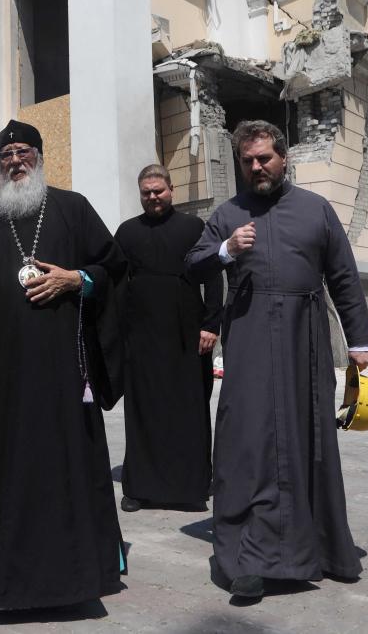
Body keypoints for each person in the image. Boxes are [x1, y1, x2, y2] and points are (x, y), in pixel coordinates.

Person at [186, 119, 368, 601]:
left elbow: (344, 277)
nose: (256, 167)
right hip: (248, 336)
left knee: (307, 434)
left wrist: (360, 340)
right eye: (247, 161)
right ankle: (246, 558)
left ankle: (326, 550)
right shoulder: (228, 214)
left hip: (304, 336)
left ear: (283, 157)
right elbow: (192, 264)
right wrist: (227, 250)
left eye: (264, 158)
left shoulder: (316, 210)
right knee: (247, 439)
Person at [0, 119, 127, 612]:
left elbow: (114, 267)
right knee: (5, 475)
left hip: (63, 375)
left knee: (65, 466)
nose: (14, 161)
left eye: (23, 152)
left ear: (40, 156)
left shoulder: (73, 208)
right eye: (5, 156)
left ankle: (76, 577)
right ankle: (10, 582)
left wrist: (78, 279)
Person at [114, 164, 222, 513]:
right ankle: (140, 487)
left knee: (188, 405)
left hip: (186, 332)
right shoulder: (127, 232)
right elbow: (116, 283)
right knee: (142, 409)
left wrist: (211, 325)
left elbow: (214, 277)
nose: (152, 197)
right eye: (146, 192)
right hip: (141, 335)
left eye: (158, 190)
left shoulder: (193, 227)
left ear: (171, 190)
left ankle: (191, 487)